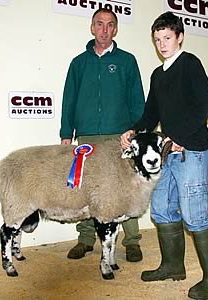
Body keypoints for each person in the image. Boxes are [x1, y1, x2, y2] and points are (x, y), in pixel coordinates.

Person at [121, 11, 208, 300]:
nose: (162, 44)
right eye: (157, 39)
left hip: (192, 149)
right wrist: (134, 130)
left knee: (195, 215)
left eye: (167, 37)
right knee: (161, 208)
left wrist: (179, 136)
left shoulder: (190, 64)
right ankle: (172, 266)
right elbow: (151, 113)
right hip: (167, 152)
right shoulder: (157, 74)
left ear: (179, 37)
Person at [60, 8, 145, 263]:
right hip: (86, 137)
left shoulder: (127, 61)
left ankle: (131, 242)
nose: (104, 30)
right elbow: (69, 99)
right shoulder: (78, 63)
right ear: (92, 28)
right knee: (86, 189)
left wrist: (138, 131)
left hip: (121, 135)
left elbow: (137, 99)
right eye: (100, 24)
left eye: (110, 25)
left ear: (115, 29)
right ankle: (85, 239)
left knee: (125, 189)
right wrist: (67, 133)